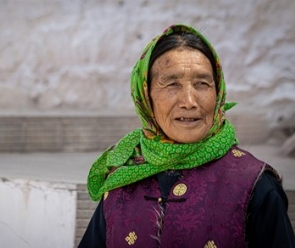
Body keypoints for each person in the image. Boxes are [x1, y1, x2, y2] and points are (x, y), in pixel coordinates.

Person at [78, 24, 295, 247]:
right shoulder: (123, 176)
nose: (189, 102)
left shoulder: (255, 184)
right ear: (145, 97)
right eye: (172, 84)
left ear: (218, 91)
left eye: (202, 84)